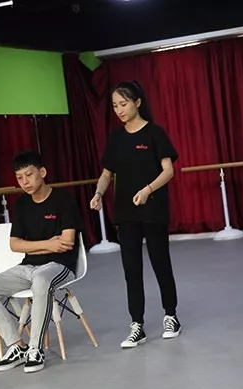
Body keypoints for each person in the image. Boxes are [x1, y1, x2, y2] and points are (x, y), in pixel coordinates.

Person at [0, 150, 84, 373]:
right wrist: (48, 244)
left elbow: (66, 243)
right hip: (27, 267)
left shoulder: (64, 200)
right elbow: (15, 245)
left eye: (29, 175)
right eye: (19, 178)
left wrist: (37, 245)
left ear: (42, 172)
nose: (25, 182)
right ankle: (17, 346)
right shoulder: (22, 205)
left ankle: (36, 349)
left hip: (59, 265)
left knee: (41, 281)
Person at [91, 80, 181, 349]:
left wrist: (147, 190)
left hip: (152, 209)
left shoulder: (155, 133)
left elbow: (168, 171)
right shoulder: (116, 139)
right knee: (131, 269)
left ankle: (171, 316)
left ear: (137, 102)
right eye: (115, 106)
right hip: (125, 212)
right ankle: (137, 324)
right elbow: (106, 174)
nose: (119, 110)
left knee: (160, 263)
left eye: (124, 104)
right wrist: (98, 193)